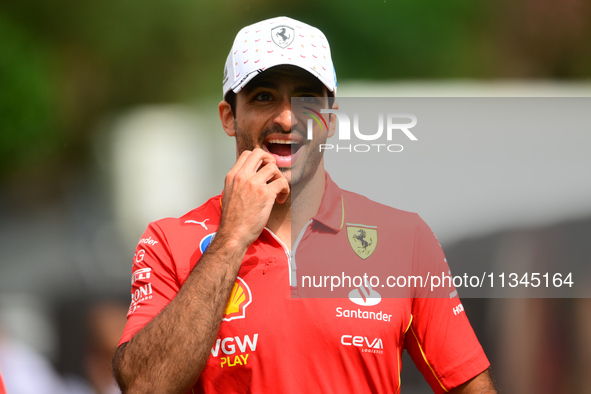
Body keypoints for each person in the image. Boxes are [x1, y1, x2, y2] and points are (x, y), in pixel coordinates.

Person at [112, 16, 496, 393]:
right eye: (264, 97)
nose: (285, 117)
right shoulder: (169, 242)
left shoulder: (405, 239)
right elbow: (144, 386)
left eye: (307, 99)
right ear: (229, 117)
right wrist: (230, 240)